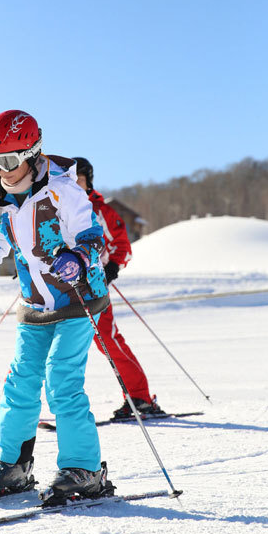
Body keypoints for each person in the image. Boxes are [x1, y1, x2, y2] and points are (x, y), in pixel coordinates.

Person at [0, 110, 113, 504]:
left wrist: (77, 256)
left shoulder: (62, 190)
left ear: (33, 153)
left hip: (78, 298)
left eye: (10, 161)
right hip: (35, 304)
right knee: (20, 382)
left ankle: (84, 469)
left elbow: (93, 239)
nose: (3, 171)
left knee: (61, 380)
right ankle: (13, 465)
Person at [73, 157, 165, 419]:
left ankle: (140, 397)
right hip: (63, 287)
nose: (75, 184)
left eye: (80, 179)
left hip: (94, 286)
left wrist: (111, 268)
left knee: (107, 340)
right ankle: (28, 410)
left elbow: (122, 246)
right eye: (71, 179)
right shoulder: (59, 209)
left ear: (89, 182)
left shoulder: (101, 211)